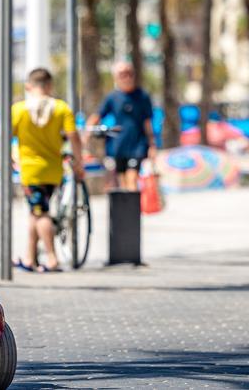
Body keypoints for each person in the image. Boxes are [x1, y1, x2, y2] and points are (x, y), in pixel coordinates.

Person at [11, 68, 83, 273]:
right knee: (36, 211)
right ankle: (29, 258)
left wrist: (8, 156)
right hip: (53, 171)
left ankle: (52, 258)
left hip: (31, 171)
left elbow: (6, 134)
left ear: (28, 86)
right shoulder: (61, 108)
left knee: (40, 212)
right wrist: (79, 162)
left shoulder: (19, 109)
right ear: (50, 86)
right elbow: (74, 137)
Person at [87, 61, 156, 191]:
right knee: (122, 182)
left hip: (138, 145)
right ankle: (127, 209)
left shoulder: (142, 96)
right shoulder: (112, 97)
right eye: (122, 74)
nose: (127, 77)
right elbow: (97, 115)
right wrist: (86, 133)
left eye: (129, 73)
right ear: (116, 77)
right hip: (118, 145)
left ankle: (133, 208)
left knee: (132, 178)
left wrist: (152, 145)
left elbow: (148, 122)